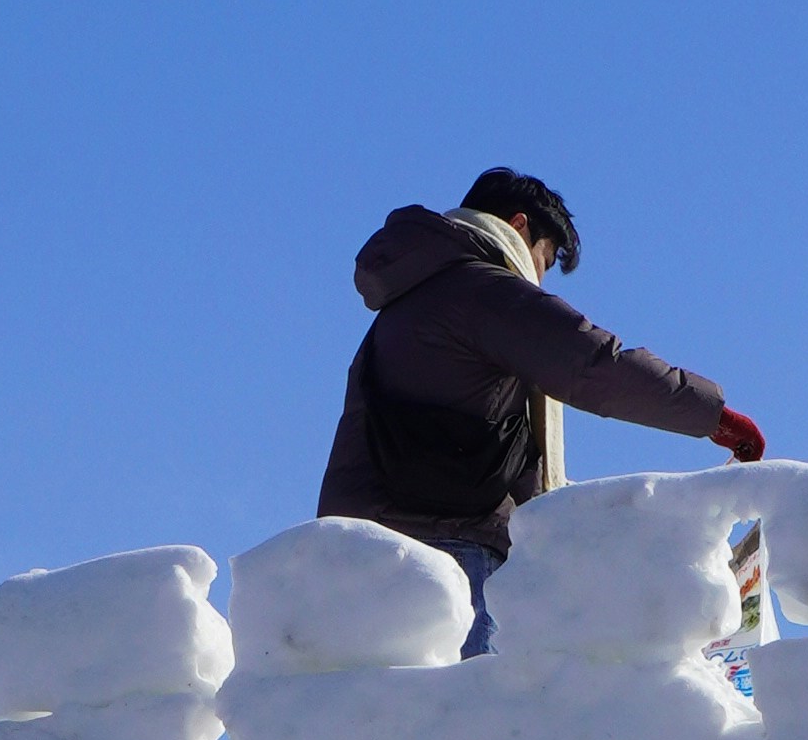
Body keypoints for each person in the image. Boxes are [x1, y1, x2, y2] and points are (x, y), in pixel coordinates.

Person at [318, 172, 763, 640]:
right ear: (518, 226)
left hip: (360, 550)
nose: (539, 277)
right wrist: (715, 416)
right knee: (473, 710)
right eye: (544, 259)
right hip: (447, 546)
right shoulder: (482, 290)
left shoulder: (407, 303)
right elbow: (592, 365)